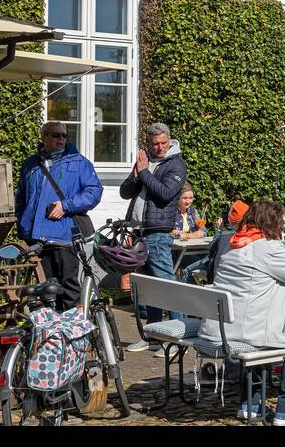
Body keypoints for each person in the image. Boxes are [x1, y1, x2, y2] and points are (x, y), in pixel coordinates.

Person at [199, 200, 285, 425]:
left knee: (267, 336)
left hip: (222, 325)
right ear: (274, 223)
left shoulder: (233, 243)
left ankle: (250, 403)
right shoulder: (268, 247)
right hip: (246, 330)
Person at [14, 121, 103, 311]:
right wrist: (22, 224)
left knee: (68, 287)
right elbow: (20, 198)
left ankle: (71, 334)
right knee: (43, 290)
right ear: (44, 137)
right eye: (55, 135)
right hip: (36, 238)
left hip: (64, 238)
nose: (61, 139)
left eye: (63, 135)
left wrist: (66, 205)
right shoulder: (31, 164)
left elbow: (94, 192)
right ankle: (48, 335)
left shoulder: (79, 163)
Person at [120, 123, 188, 348]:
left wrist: (145, 172)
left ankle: (179, 336)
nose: (159, 148)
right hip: (140, 232)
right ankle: (153, 336)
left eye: (163, 143)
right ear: (148, 143)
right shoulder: (144, 161)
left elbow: (165, 194)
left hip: (158, 234)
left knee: (168, 286)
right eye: (155, 144)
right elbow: (125, 192)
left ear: (169, 141)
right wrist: (136, 176)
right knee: (149, 289)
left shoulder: (176, 165)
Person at [181, 199, 249, 285]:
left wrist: (218, 230)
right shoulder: (253, 236)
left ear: (230, 219)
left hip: (217, 274)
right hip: (239, 276)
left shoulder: (224, 236)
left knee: (188, 270)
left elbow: (212, 249)